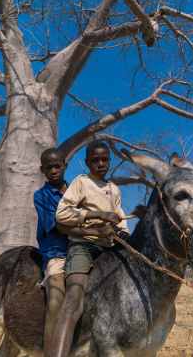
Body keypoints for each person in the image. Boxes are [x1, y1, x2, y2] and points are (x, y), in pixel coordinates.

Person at [50, 141, 130, 357]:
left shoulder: (113, 189)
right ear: (87, 163)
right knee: (73, 300)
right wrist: (99, 216)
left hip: (107, 248)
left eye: (105, 160)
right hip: (82, 246)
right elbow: (63, 214)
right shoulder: (81, 182)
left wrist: (123, 232)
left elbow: (119, 216)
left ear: (110, 161)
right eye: (95, 160)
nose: (101, 164)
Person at [34, 147, 115, 357]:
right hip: (58, 253)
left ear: (65, 167)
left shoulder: (75, 188)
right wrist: (96, 231)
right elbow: (60, 226)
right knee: (55, 302)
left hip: (88, 245)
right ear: (42, 169)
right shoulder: (41, 195)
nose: (54, 170)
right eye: (49, 167)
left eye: (57, 166)